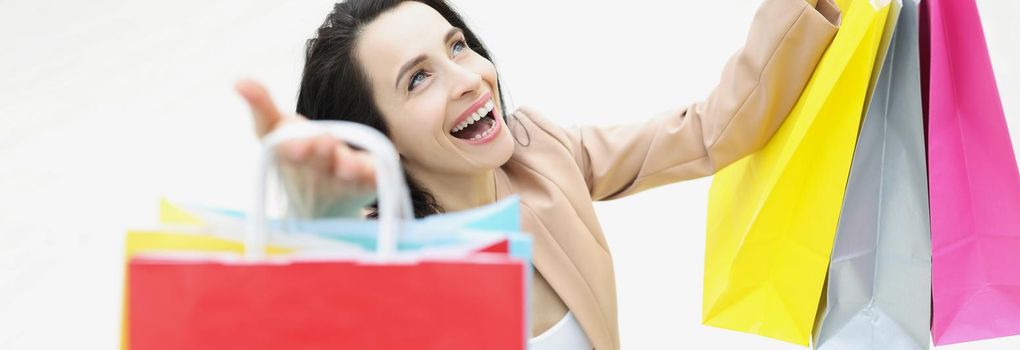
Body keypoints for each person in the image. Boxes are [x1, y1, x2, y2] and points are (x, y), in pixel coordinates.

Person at [235, 0, 841, 348]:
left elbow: (712, 132)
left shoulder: (542, 154)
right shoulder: (384, 262)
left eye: (456, 46)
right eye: (417, 79)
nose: (469, 77)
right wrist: (321, 222)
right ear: (376, 136)